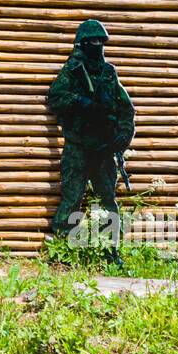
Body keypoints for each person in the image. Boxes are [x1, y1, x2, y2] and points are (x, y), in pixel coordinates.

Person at [45, 19, 135, 264]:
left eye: (100, 41)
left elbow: (127, 109)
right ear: (83, 44)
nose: (97, 45)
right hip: (78, 147)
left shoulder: (108, 73)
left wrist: (122, 138)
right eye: (93, 41)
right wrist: (81, 103)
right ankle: (63, 251)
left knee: (108, 201)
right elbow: (55, 97)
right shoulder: (73, 70)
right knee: (72, 198)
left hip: (104, 149)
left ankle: (109, 251)